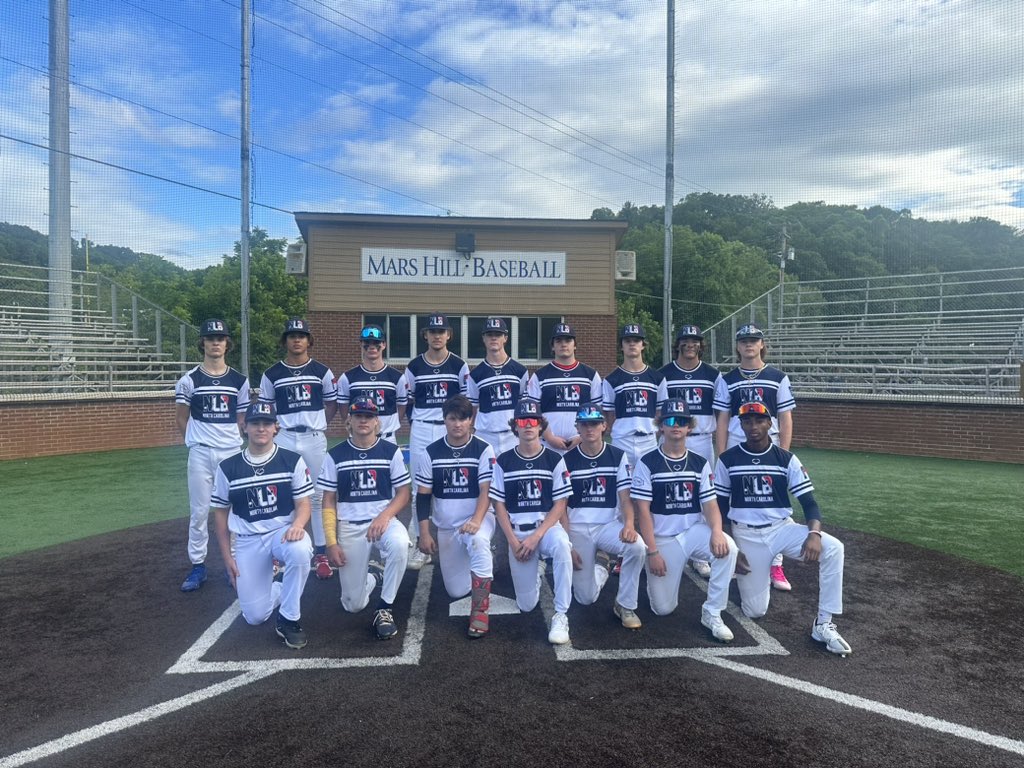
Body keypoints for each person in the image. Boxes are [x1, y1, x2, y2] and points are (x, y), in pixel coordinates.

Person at [714, 402, 851, 656]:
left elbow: (810, 503)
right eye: (747, 422)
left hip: (781, 529)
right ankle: (760, 572)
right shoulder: (727, 459)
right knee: (755, 611)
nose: (753, 427)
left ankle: (823, 623)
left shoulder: (786, 459)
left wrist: (814, 534)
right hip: (746, 534)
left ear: (770, 424)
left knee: (834, 548)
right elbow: (719, 510)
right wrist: (733, 549)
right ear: (741, 425)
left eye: (759, 421)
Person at [631, 398, 739, 642]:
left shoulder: (700, 463)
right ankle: (655, 577)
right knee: (662, 609)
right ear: (661, 427)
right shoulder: (648, 463)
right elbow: (643, 512)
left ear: (689, 426)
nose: (675, 425)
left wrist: (717, 531)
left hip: (692, 532)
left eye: (681, 421)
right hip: (663, 539)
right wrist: (652, 552)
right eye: (669, 420)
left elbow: (710, 504)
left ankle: (712, 612)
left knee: (728, 549)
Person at [210, 402, 314, 649]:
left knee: (300, 550)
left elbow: (304, 504)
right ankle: (278, 586)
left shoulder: (292, 460)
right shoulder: (228, 467)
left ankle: (289, 619)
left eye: (266, 423)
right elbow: (220, 517)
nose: (261, 428)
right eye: (255, 423)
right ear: (244, 427)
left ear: (276, 427)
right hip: (247, 539)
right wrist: (228, 559)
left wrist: (299, 524)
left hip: (282, 533)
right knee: (255, 617)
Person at [318, 396, 412, 640]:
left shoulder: (390, 451)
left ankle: (384, 608)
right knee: (352, 605)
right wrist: (331, 541)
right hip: (349, 526)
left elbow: (404, 493)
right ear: (349, 420)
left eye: (368, 416)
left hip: (383, 522)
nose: (363, 420)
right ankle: (373, 577)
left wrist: (384, 516)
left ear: (376, 422)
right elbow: (328, 499)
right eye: (358, 415)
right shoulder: (335, 455)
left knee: (400, 544)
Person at [713, 323, 795, 592]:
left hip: (768, 445)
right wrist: (722, 454)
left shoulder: (777, 377)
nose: (749, 344)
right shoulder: (728, 379)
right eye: (744, 340)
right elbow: (723, 418)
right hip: (737, 445)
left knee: (773, 501)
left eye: (754, 340)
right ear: (737, 346)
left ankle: (776, 562)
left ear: (762, 344)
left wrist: (783, 452)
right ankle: (736, 554)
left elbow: (784, 417)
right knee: (736, 503)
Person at [489, 400, 574, 645]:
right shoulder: (503, 461)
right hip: (517, 533)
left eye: (533, 421)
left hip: (545, 530)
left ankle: (561, 614)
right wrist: (513, 541)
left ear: (540, 426)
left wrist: (537, 536)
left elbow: (560, 504)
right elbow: (499, 506)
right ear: (515, 426)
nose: (528, 425)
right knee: (526, 605)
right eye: (522, 421)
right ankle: (535, 568)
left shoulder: (554, 459)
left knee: (561, 546)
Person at [175, 318, 250, 592]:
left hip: (231, 453)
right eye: (210, 339)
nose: (215, 343)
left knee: (234, 510)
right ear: (203, 343)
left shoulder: (239, 380)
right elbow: (182, 419)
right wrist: (197, 443)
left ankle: (235, 563)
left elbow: (242, 419)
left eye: (220, 339)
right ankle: (198, 566)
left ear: (227, 344)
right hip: (201, 454)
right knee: (199, 512)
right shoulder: (189, 380)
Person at [259, 318, 337, 581]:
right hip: (285, 437)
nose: (296, 340)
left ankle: (321, 552)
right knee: (282, 495)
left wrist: (317, 424)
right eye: (292, 336)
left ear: (309, 341)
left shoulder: (322, 371)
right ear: (285, 341)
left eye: (301, 335)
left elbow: (331, 404)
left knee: (316, 495)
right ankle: (278, 551)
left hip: (313, 436)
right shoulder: (272, 374)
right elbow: (267, 409)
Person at [414, 395, 497, 638]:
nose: (457, 424)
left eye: (463, 418)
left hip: (477, 519)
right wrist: (424, 533)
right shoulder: (431, 452)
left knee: (479, 541)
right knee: (456, 590)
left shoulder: (483, 448)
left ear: (471, 420)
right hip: (448, 527)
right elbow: (422, 496)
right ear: (445, 421)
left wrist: (476, 521)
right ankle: (480, 560)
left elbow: (486, 490)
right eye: (452, 419)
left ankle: (480, 612)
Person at [561, 405, 647, 630]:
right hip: (578, 528)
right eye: (584, 424)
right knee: (585, 599)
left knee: (637, 546)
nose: (590, 428)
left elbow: (625, 497)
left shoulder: (617, 456)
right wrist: (567, 543)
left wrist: (629, 524)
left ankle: (625, 605)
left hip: (608, 525)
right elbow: (561, 507)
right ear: (577, 428)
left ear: (604, 426)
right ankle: (602, 566)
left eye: (594, 423)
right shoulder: (567, 460)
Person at [402, 313, 470, 570]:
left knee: (449, 484)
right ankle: (420, 542)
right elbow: (406, 402)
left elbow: (465, 404)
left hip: (449, 429)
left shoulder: (458, 365)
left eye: (441, 332)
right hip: (421, 428)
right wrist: (417, 422)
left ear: (449, 335)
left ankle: (457, 537)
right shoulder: (414, 366)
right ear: (426, 335)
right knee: (421, 486)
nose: (437, 336)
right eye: (432, 332)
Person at [657, 324, 724, 580]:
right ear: (678, 344)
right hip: (672, 437)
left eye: (694, 340)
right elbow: (659, 413)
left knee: (703, 495)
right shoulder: (664, 374)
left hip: (702, 439)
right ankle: (666, 543)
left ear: (700, 345)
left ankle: (698, 554)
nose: (689, 344)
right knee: (670, 491)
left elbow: (721, 413)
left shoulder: (712, 375)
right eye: (685, 340)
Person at [526, 322, 602, 454]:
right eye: (559, 340)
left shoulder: (590, 375)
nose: (564, 344)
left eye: (568, 340)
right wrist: (549, 437)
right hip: (548, 445)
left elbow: (598, 411)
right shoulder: (540, 376)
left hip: (582, 445)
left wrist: (581, 437)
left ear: (575, 345)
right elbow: (533, 412)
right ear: (553, 346)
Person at [465, 316, 529, 457]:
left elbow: (523, 406)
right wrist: (471, 430)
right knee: (485, 478)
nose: (494, 338)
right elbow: (473, 407)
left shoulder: (520, 371)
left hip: (513, 435)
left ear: (505, 338)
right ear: (484, 338)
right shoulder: (475, 375)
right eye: (490, 335)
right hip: (486, 435)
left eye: (498, 334)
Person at [602, 323, 662, 468]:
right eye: (627, 341)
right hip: (622, 440)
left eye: (636, 340)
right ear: (621, 346)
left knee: (649, 487)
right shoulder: (611, 379)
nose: (632, 344)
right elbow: (608, 413)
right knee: (621, 487)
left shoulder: (657, 378)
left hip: (648, 440)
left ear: (643, 345)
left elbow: (660, 411)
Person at [337, 324, 409, 445]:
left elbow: (401, 406)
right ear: (361, 344)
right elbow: (343, 408)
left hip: (387, 438)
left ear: (384, 345)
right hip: (358, 438)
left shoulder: (397, 377)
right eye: (367, 343)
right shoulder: (347, 377)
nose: (372, 346)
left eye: (376, 342)